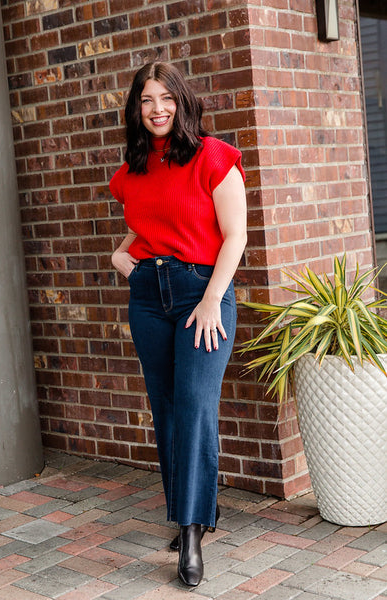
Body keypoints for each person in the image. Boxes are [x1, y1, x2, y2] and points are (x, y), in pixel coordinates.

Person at [109, 61, 247, 587]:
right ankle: (187, 514)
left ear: (182, 102)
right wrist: (122, 260)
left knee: (194, 406)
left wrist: (212, 300)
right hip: (149, 298)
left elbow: (234, 235)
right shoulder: (135, 167)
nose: (157, 109)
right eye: (146, 100)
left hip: (201, 294)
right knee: (165, 410)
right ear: (136, 109)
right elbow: (140, 232)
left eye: (166, 98)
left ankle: (191, 532)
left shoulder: (213, 157)